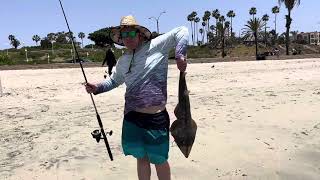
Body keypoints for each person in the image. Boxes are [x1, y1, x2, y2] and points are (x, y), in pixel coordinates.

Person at [85, 15, 188, 180]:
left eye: (131, 34)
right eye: (124, 36)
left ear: (139, 34)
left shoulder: (157, 46)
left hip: (156, 117)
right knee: (141, 158)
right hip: (132, 117)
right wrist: (97, 88)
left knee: (160, 159)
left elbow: (182, 31)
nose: (127, 38)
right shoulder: (123, 60)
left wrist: (179, 55)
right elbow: (114, 80)